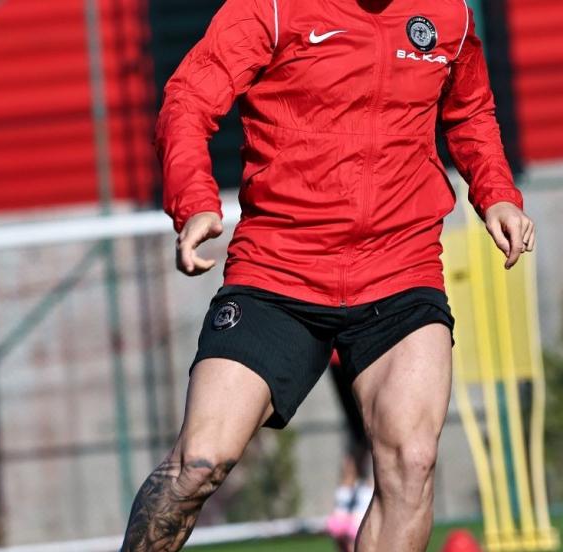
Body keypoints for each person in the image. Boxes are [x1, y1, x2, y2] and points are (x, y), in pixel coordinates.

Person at [120, 0, 535, 549]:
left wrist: (497, 194)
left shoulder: (449, 15)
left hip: (400, 268)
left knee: (412, 461)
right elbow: (188, 100)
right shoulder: (271, 8)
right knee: (199, 463)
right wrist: (195, 201)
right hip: (279, 271)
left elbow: (470, 112)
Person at [325, 351, 374, 552]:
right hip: (359, 351)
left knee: (360, 436)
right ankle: (358, 516)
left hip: (337, 356)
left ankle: (342, 512)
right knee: (376, 434)